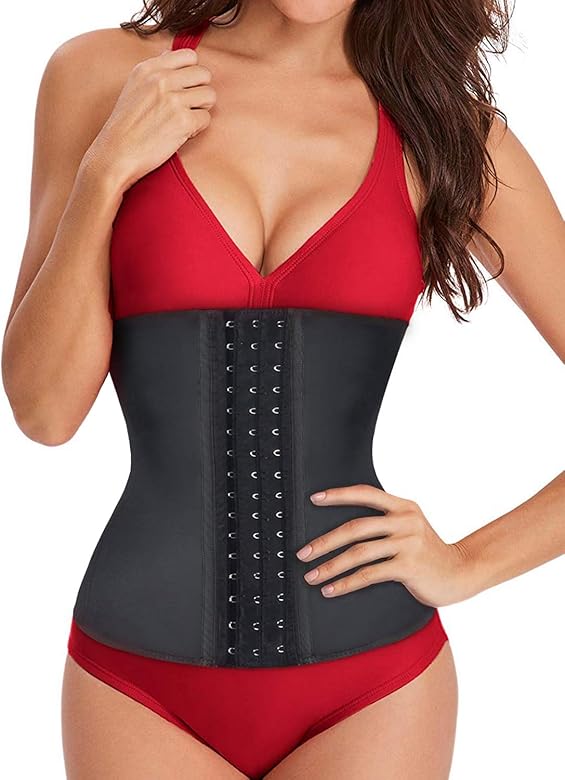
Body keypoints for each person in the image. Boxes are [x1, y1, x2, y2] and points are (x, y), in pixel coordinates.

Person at [2, 2, 564, 779]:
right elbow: (44, 411)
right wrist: (104, 175)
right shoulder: (104, 75)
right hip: (137, 682)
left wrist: (467, 563)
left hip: (372, 688)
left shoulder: (445, 132)